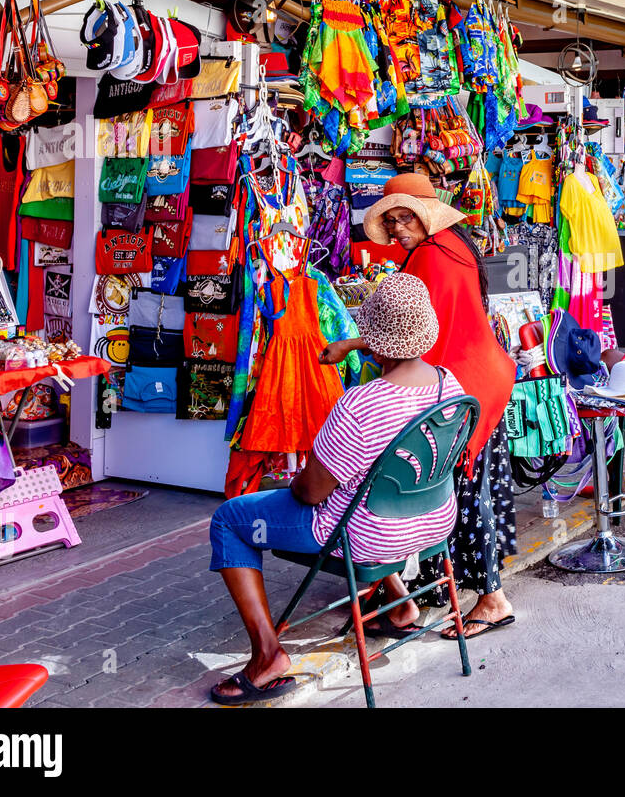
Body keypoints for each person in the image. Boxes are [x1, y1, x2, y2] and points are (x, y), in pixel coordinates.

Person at [207, 273, 461, 704]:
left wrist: (285, 487)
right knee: (369, 495)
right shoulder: (449, 385)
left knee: (229, 519)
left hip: (369, 535)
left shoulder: (362, 404)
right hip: (433, 526)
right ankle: (401, 605)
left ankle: (268, 656)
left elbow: (309, 493)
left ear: (376, 341)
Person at [321, 173, 518, 639]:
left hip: (461, 383)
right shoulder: (455, 243)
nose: (395, 230)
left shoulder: (431, 257)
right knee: (468, 487)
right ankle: (430, 590)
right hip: (483, 374)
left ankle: (491, 599)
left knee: (461, 493)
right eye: (389, 221)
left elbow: (405, 334)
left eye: (403, 217)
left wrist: (350, 344)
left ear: (426, 213)